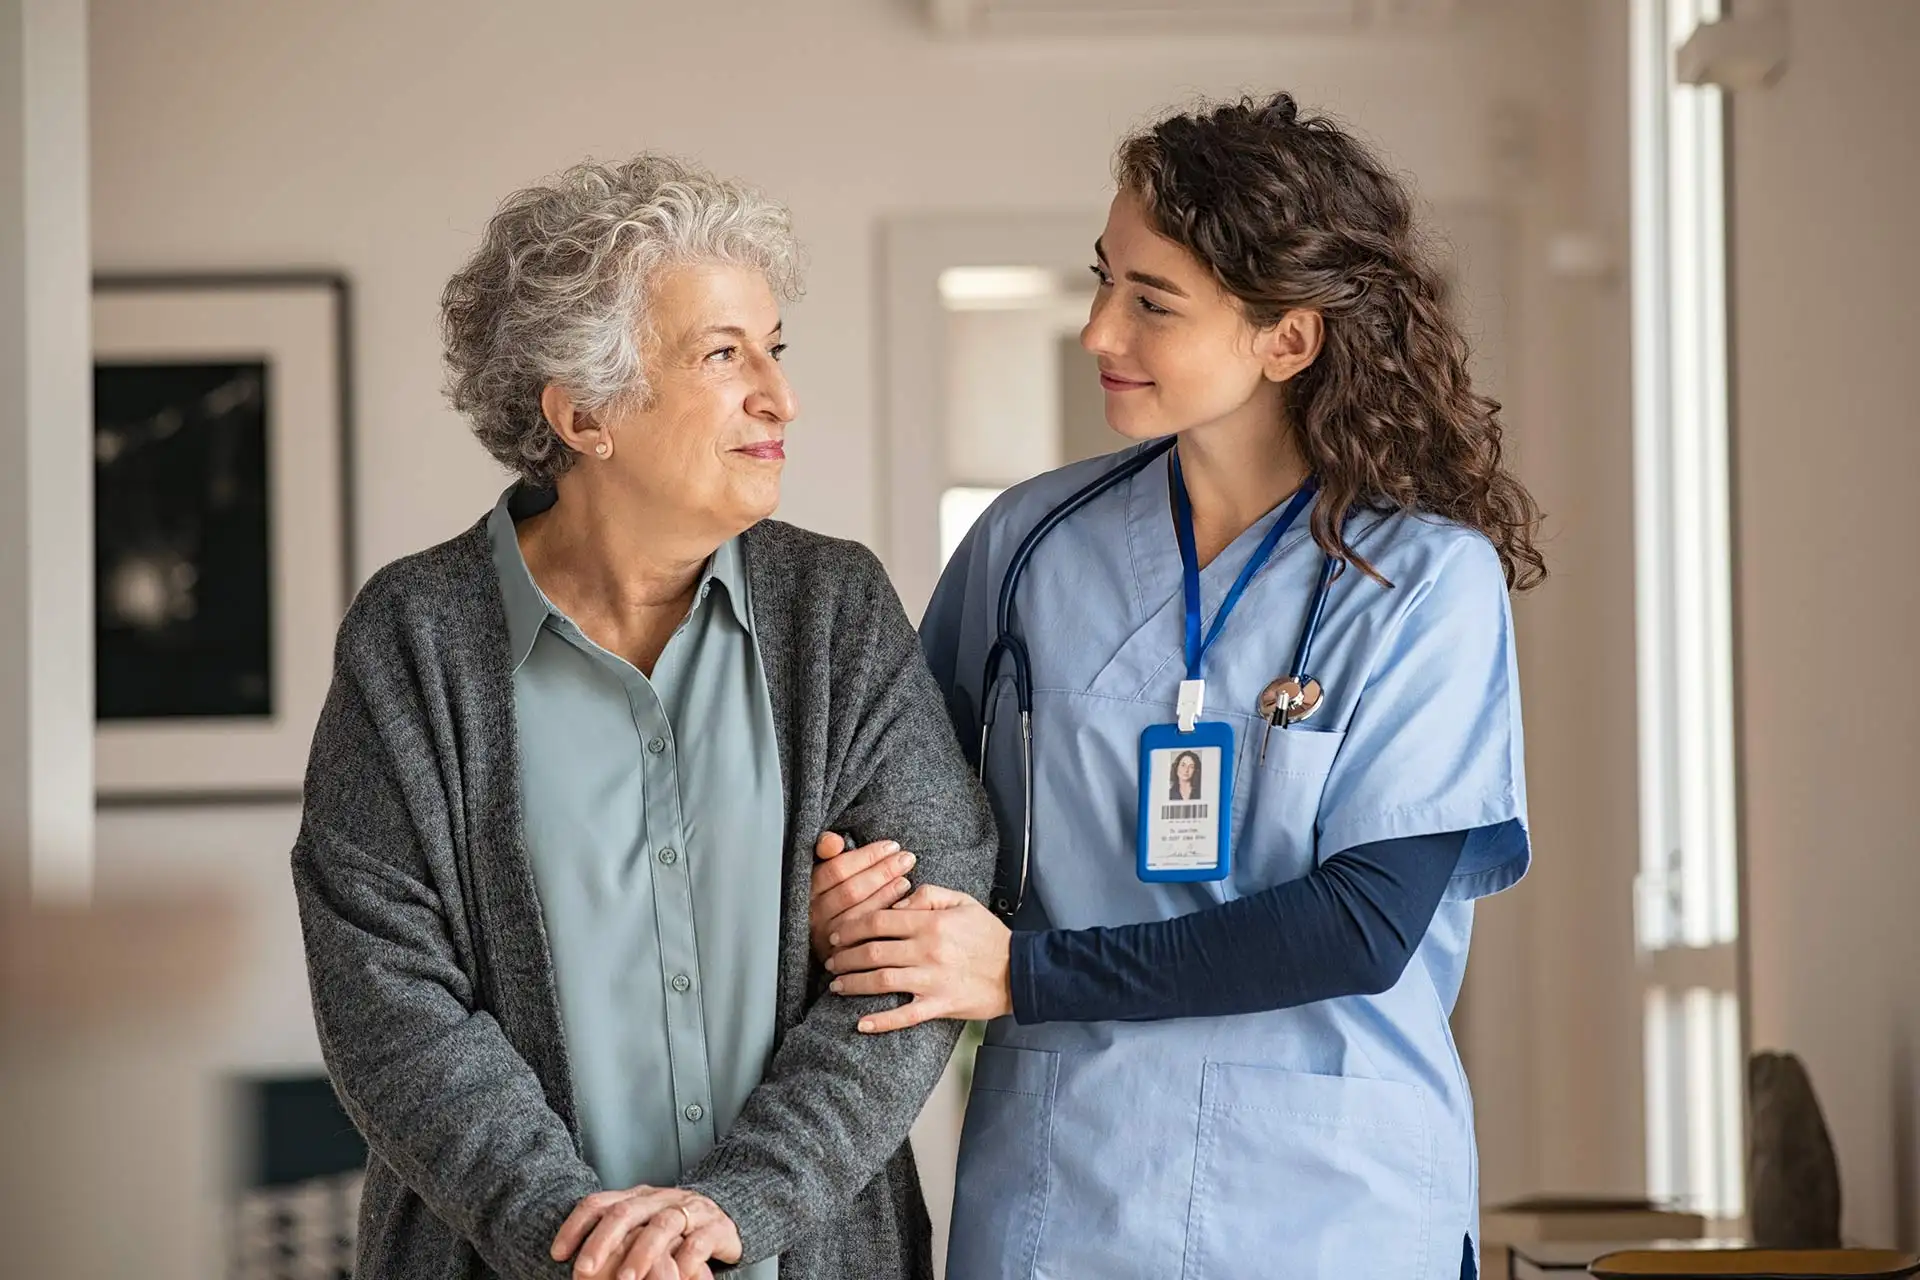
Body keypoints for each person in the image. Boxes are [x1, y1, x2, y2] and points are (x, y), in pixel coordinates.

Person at [810, 93, 1542, 1279]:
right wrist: (850, 896)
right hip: (1065, 1195)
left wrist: (1019, 972)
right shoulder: (1025, 546)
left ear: (1286, 339)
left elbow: (1363, 922)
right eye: (1105, 281)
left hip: (1330, 1212)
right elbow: (907, 815)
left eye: (1153, 302)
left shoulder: (1422, 583)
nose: (1100, 329)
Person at [291, 154, 995, 1280]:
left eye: (775, 346)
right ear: (583, 413)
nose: (780, 395)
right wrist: (584, 1237)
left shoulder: (836, 611)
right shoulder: (412, 640)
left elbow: (924, 940)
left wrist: (738, 1206)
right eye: (725, 354)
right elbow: (388, 1002)